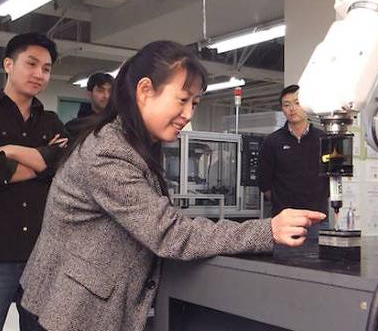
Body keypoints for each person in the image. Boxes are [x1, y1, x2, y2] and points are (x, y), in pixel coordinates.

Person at [19, 41, 326, 331]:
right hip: (72, 312)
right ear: (144, 90)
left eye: (194, 102)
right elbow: (169, 233)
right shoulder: (108, 151)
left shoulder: (134, 142)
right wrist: (267, 230)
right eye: (181, 100)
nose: (188, 114)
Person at [0, 32, 68, 331]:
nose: (39, 74)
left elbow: (62, 169)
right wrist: (42, 160)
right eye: (31, 64)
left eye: (46, 68)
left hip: (41, 257)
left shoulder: (51, 122)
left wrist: (12, 152)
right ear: (8, 64)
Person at [257, 84, 329, 219]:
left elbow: (331, 178)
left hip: (317, 217)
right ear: (282, 109)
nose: (292, 109)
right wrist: (281, 203)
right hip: (284, 219)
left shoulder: (323, 139)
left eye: (297, 103)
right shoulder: (272, 141)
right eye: (286, 105)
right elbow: (264, 182)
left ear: (307, 106)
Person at [64, 72, 113, 138]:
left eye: (110, 91)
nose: (106, 96)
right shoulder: (74, 127)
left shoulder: (120, 124)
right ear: (89, 94)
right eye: (100, 91)